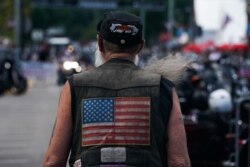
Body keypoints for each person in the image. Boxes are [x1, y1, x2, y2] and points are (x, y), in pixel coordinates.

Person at [43, 11, 190, 167]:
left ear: (100, 44)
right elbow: (178, 161)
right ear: (140, 46)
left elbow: (54, 160)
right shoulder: (163, 87)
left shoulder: (75, 85)